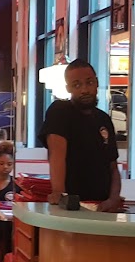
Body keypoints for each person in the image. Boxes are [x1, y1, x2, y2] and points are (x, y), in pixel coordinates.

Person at [40, 59, 123, 211]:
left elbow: (112, 166)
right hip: (71, 204)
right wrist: (59, 193)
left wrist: (114, 198)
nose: (84, 90)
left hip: (102, 206)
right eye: (77, 85)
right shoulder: (60, 111)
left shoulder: (104, 119)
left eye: (89, 83)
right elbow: (57, 155)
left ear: (97, 83)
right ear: (68, 88)